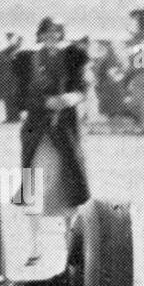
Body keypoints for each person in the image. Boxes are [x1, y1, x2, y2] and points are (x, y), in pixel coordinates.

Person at [13, 16, 90, 265]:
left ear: (61, 33)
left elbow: (81, 88)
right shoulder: (28, 60)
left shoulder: (73, 57)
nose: (51, 37)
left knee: (69, 185)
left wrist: (71, 99)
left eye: (56, 32)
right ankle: (36, 247)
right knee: (34, 188)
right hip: (38, 131)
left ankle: (71, 246)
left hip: (65, 131)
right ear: (40, 34)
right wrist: (44, 102)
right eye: (46, 32)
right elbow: (21, 97)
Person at [0, 32, 22, 122]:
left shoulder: (16, 50)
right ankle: (10, 117)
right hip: (7, 77)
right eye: (8, 38)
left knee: (14, 97)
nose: (9, 39)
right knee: (8, 98)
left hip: (14, 77)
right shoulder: (6, 51)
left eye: (10, 37)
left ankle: (15, 117)